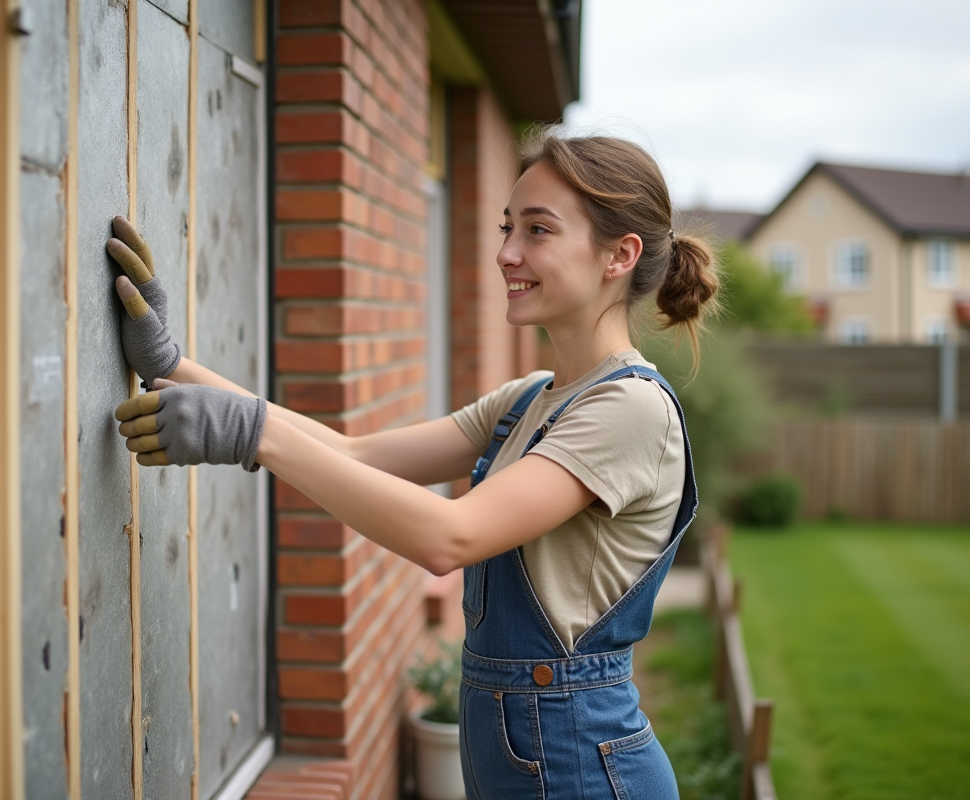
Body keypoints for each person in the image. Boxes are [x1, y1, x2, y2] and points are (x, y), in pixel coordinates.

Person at [107, 128, 718, 798]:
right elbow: (351, 454)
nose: (506, 252)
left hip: (584, 769)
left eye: (538, 231)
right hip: (526, 755)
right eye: (507, 227)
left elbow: (449, 536)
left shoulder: (632, 410)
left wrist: (249, 435)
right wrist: (172, 365)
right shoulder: (527, 401)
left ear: (619, 255)